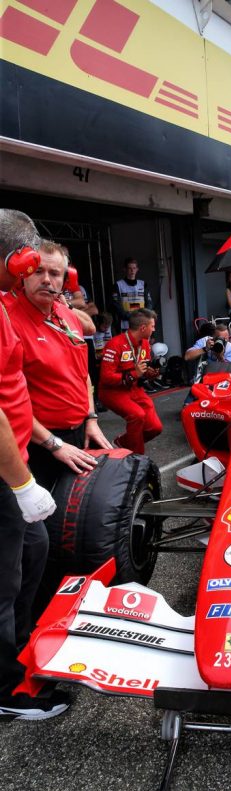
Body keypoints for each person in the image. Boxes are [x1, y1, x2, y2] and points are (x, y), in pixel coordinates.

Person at [0, 210, 66, 721]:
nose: (39, 273)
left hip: (18, 462)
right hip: (8, 474)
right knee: (5, 579)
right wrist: (22, 483)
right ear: (18, 260)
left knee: (32, 555)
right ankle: (8, 691)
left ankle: (21, 653)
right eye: (32, 261)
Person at [7, 241, 111, 491]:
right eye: (38, 271)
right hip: (38, 444)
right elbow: (7, 403)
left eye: (54, 274)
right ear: (24, 273)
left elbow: (82, 374)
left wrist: (91, 418)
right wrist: (54, 444)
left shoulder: (66, 315)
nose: (46, 280)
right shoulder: (8, 319)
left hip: (80, 433)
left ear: (65, 281)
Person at [98, 309, 163, 454]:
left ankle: (122, 443)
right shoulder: (115, 344)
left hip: (134, 389)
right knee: (137, 415)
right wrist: (134, 374)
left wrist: (150, 373)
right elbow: (106, 378)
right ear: (143, 328)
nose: (154, 329)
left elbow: (142, 369)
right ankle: (137, 458)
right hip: (112, 391)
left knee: (155, 427)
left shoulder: (145, 343)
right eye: (152, 326)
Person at [111, 257, 154, 332]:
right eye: (129, 268)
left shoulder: (143, 284)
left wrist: (144, 315)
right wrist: (130, 317)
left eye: (134, 268)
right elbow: (116, 306)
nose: (132, 271)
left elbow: (149, 303)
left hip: (142, 322)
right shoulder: (118, 285)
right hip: (125, 324)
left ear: (137, 269)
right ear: (124, 269)